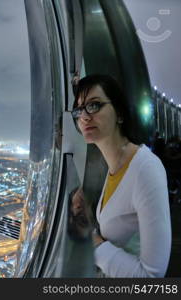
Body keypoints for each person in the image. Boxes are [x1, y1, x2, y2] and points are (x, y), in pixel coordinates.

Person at [71, 74, 171, 277]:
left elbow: (151, 278)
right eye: (79, 109)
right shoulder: (114, 166)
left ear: (120, 114)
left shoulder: (146, 169)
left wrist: (94, 242)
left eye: (94, 105)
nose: (84, 117)